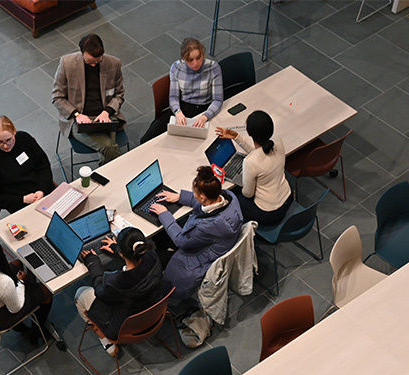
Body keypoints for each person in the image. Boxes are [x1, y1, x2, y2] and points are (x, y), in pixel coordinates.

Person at [149, 166, 243, 299]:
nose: (193, 195)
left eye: (194, 193)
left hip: (197, 259)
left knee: (155, 252)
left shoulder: (207, 226)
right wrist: (180, 197)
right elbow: (208, 202)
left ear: (203, 197)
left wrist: (164, 214)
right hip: (215, 244)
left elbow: (181, 241)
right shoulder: (230, 197)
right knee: (165, 231)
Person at [74, 227, 162, 356]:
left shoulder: (117, 281)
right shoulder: (153, 255)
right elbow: (137, 259)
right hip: (155, 313)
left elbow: (100, 291)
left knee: (80, 293)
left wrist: (93, 262)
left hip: (124, 326)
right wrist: (116, 249)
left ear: (122, 253)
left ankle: (104, 339)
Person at [52, 33, 126, 165]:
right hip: (78, 119)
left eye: (98, 61)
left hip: (106, 116)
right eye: (90, 62)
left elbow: (119, 94)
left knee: (109, 148)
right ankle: (118, 173)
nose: (93, 65)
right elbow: (57, 97)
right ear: (81, 53)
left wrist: (107, 111)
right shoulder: (66, 64)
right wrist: (77, 114)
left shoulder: (114, 64)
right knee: (109, 147)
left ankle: (107, 177)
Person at [215, 110, 292, 226]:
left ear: (249, 133)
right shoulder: (277, 141)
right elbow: (260, 153)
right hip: (287, 198)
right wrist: (236, 137)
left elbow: (248, 194)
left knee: (231, 195)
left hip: (268, 213)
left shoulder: (250, 161)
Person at [140, 37, 223, 144]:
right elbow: (174, 97)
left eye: (199, 58)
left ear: (203, 53)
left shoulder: (213, 68)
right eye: (190, 60)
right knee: (147, 139)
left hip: (204, 109)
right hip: (183, 107)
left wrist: (205, 116)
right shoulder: (176, 68)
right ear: (183, 58)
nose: (196, 63)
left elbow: (218, 99)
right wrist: (178, 112)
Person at [0, 115, 55, 214]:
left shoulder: (25, 139)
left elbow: (43, 165)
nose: (6, 146)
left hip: (44, 189)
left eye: (8, 140)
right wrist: (23, 199)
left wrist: (42, 190)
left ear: (14, 131)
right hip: (19, 203)